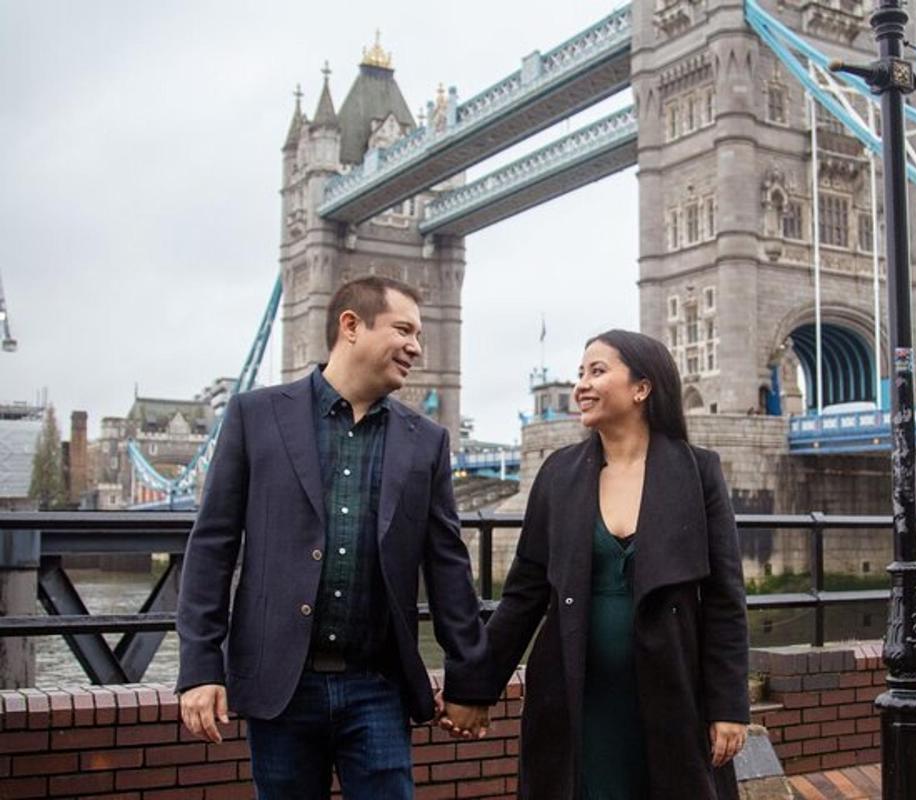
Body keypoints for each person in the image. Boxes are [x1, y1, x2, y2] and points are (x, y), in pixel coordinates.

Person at [175, 276, 491, 799]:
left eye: (420, 336)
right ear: (351, 326)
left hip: (378, 688)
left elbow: (448, 568)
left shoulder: (427, 441)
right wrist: (200, 666)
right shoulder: (255, 416)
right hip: (281, 685)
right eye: (404, 330)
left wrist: (469, 680)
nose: (416, 347)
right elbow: (212, 547)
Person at [486, 329, 750, 799]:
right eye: (580, 373)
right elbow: (523, 596)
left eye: (597, 371)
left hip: (670, 691)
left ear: (641, 388)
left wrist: (729, 706)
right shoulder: (558, 474)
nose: (581, 386)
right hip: (575, 695)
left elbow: (725, 600)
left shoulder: (697, 471)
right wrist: (473, 685)